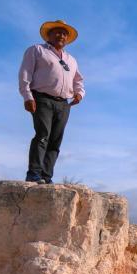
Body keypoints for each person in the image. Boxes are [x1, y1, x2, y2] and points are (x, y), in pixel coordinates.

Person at [18, 19, 85, 183]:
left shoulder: (71, 59)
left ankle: (46, 177)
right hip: (41, 98)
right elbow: (25, 74)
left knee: (55, 140)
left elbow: (78, 80)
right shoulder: (37, 50)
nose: (61, 35)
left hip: (63, 103)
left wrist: (79, 94)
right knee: (42, 135)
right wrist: (27, 96)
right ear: (49, 34)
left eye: (64, 33)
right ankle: (34, 174)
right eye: (57, 32)